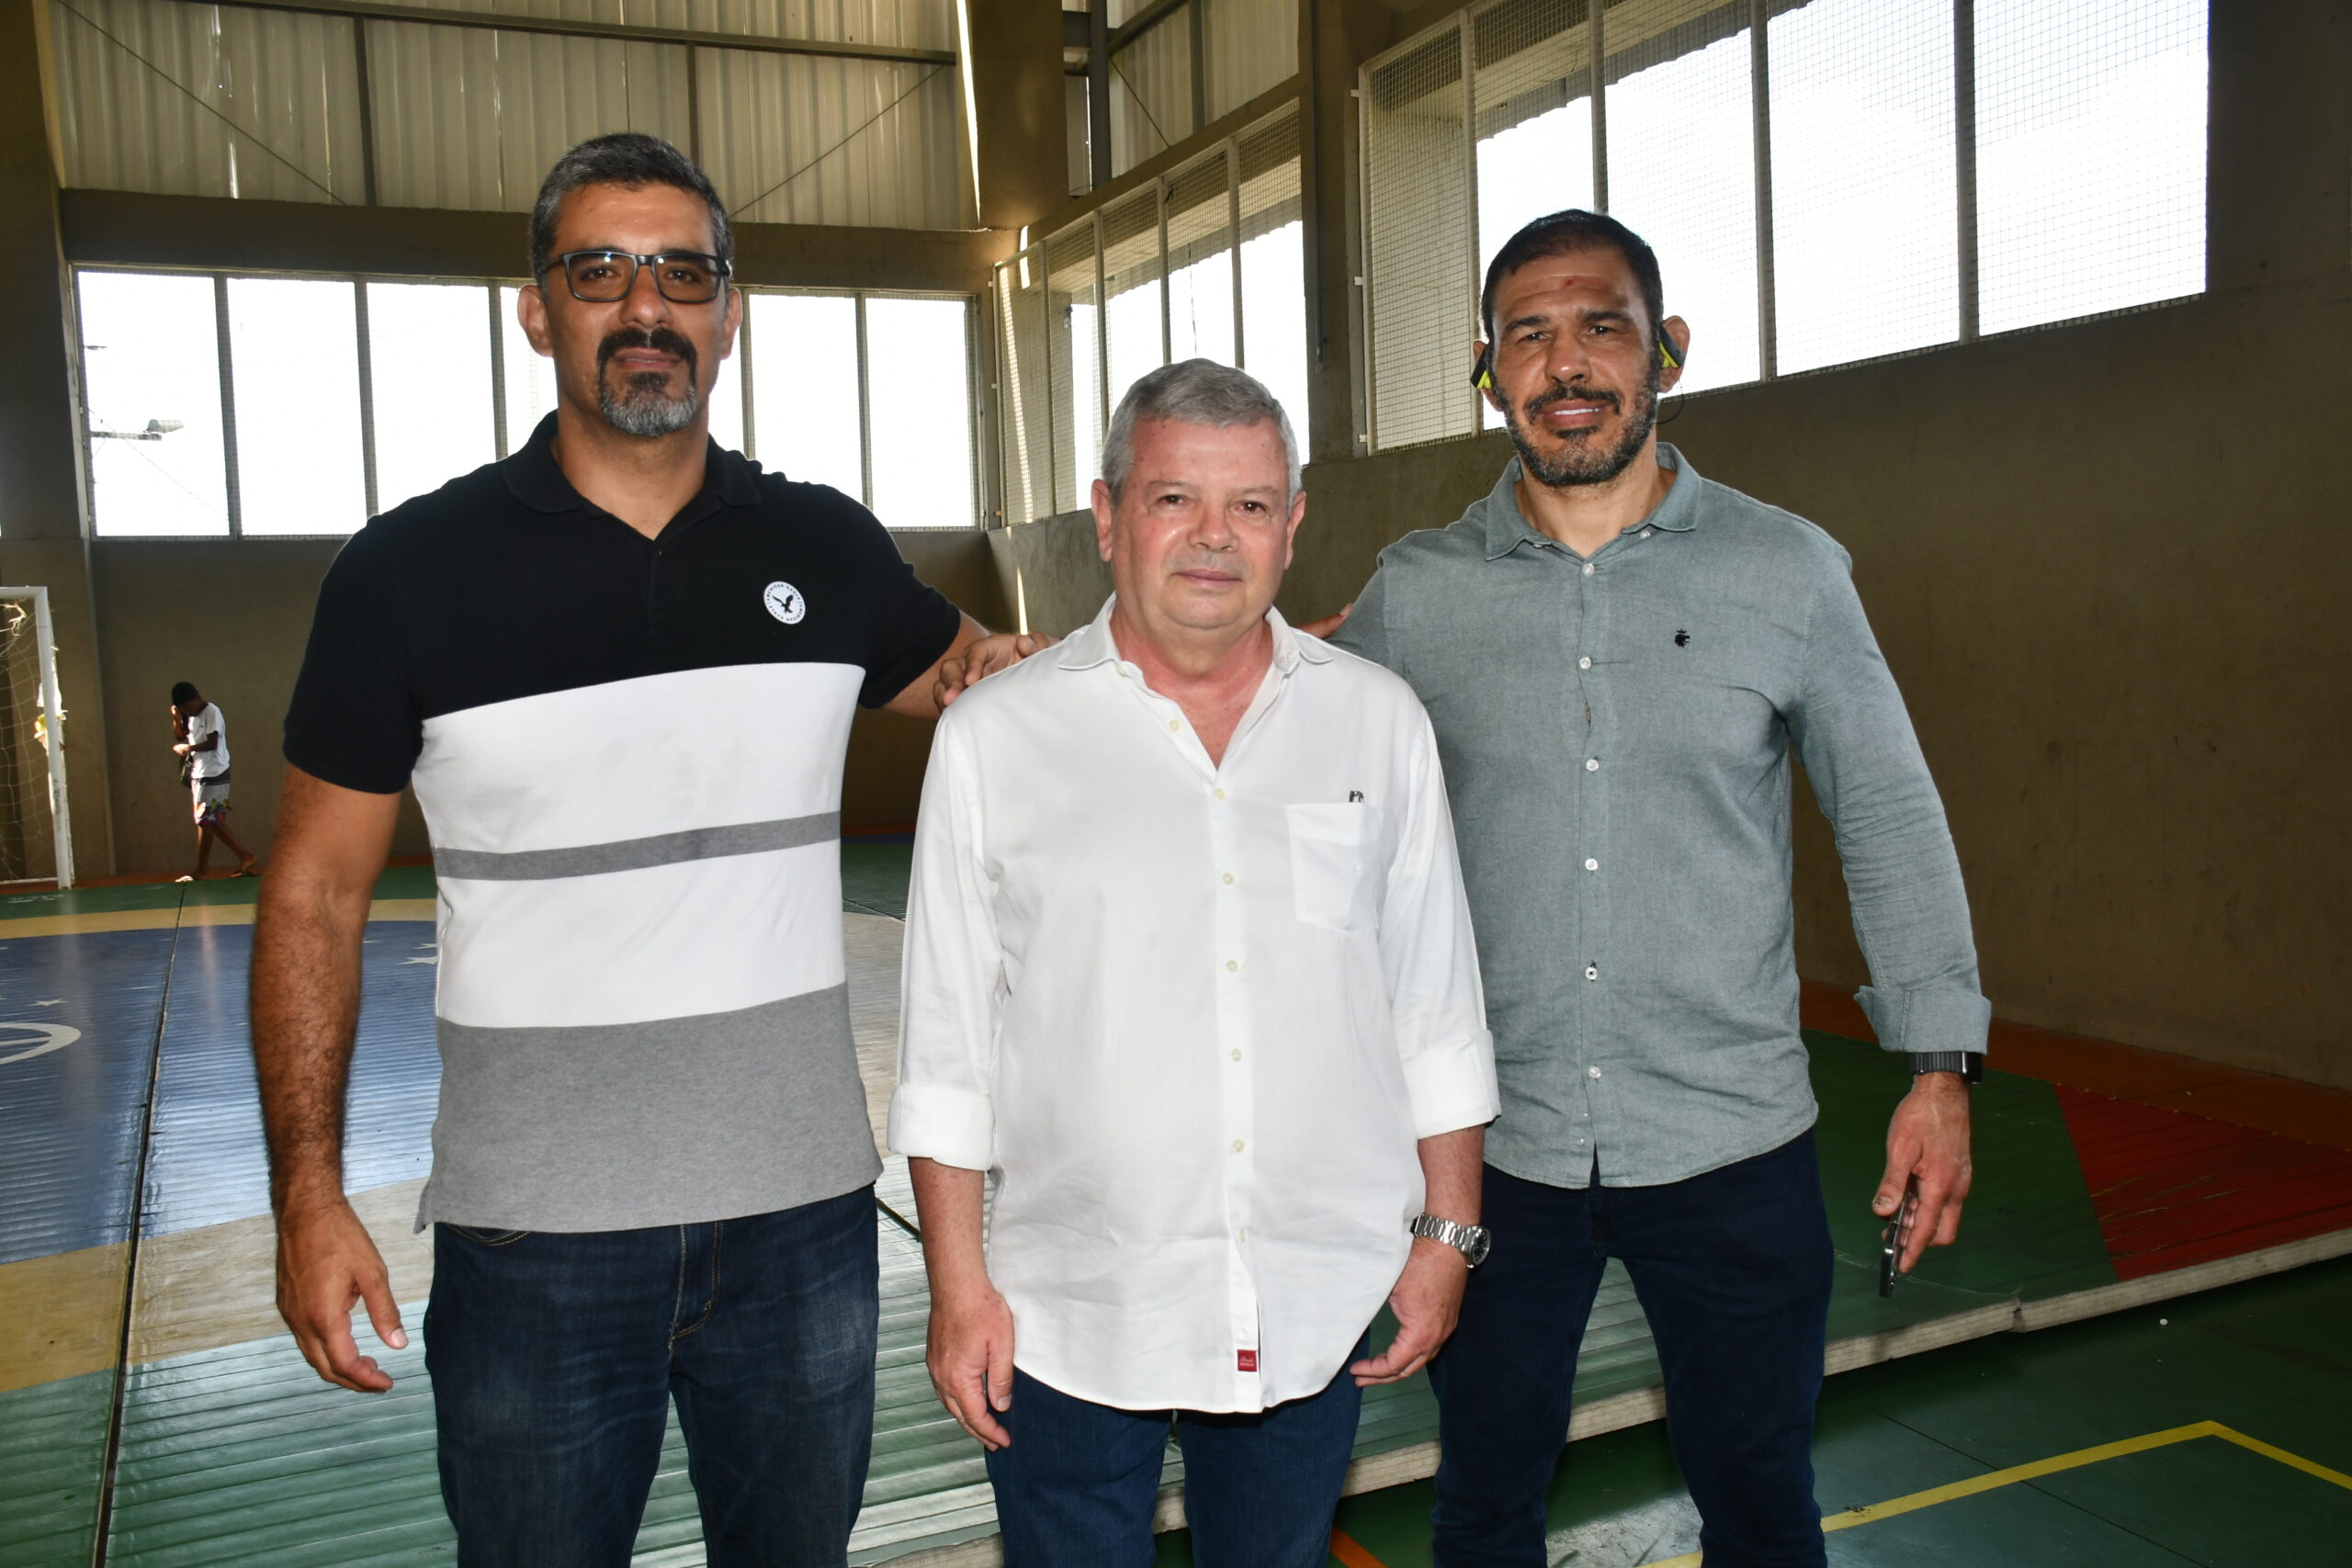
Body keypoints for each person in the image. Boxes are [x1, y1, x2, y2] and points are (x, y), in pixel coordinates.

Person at [252, 132, 991, 1567]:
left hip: (801, 1226)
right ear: (537, 308)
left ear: (730, 310)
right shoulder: (405, 574)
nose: (645, 306)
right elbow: (314, 891)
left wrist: (1224, 645)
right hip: (532, 1238)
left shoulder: (824, 549)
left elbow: (1000, 680)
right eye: (600, 271)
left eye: (683, 273)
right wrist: (308, 1191)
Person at [1320, 210, 1989, 1567]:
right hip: (1490, 1152)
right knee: (1485, 1498)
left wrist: (1939, 1067)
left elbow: (1890, 810)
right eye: (1530, 335)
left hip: (1732, 1139)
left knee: (1759, 1494)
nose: (1567, 364)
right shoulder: (1416, 595)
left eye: (1602, 325)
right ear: (1488, 368)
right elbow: (1291, 764)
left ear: (1667, 351)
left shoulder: (1789, 571)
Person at [892, 359, 1498, 1568]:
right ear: (1110, 515)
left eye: (1252, 505)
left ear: (1292, 525)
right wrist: (959, 1284)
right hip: (1064, 1310)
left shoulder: (1376, 719)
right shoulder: (991, 737)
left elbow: (1432, 998)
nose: (1214, 538)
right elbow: (948, 1042)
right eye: (1175, 500)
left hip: (1311, 1294)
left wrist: (1449, 1232)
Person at [170, 681, 257, 880]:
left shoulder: (211, 712)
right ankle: (246, 855)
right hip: (200, 773)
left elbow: (212, 742)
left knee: (205, 821)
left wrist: (189, 749)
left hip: (215, 772)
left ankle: (201, 870)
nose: (189, 712)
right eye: (184, 710)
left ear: (198, 697)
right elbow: (180, 736)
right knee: (210, 820)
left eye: (189, 707)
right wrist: (177, 718)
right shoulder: (191, 716)